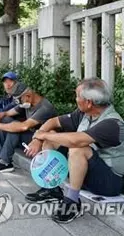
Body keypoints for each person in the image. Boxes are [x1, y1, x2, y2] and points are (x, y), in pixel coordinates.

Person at [24, 78, 124, 224]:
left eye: (77, 96)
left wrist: (43, 134)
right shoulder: (85, 113)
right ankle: (52, 188)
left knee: (78, 148)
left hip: (109, 182)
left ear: (89, 102)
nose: (75, 99)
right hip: (87, 171)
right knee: (52, 138)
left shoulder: (112, 124)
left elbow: (77, 141)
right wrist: (38, 139)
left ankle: (72, 202)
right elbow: (53, 121)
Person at [0, 81, 57, 173]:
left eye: (19, 100)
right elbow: (5, 113)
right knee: (6, 119)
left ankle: (5, 162)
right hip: (31, 137)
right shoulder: (27, 103)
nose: (18, 103)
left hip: (41, 142)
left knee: (16, 128)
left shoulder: (45, 108)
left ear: (28, 96)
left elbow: (24, 126)